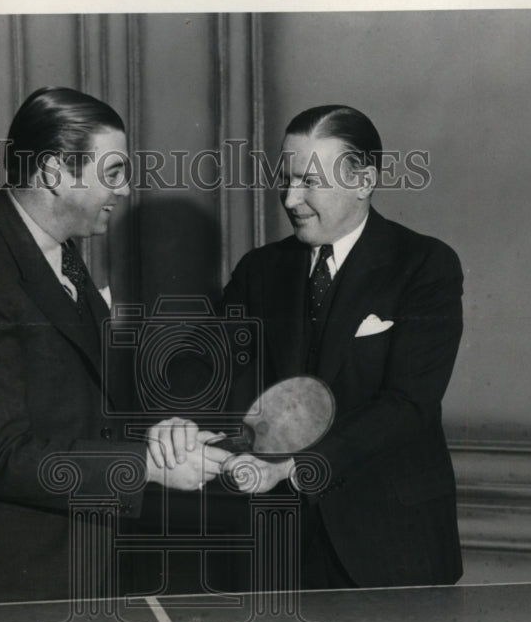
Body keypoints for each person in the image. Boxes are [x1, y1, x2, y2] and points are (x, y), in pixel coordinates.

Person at [0, 86, 229, 605]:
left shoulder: (51, 246)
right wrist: (148, 467)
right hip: (7, 582)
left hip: (74, 561)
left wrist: (158, 436)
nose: (125, 190)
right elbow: (4, 457)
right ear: (53, 173)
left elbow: (77, 397)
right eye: (112, 173)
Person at [159, 104, 464, 590]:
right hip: (282, 548)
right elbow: (206, 365)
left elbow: (409, 404)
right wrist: (178, 420)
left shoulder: (425, 265)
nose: (290, 198)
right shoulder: (260, 269)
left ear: (363, 181)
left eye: (309, 181)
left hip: (393, 543)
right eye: (286, 179)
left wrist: (295, 466)